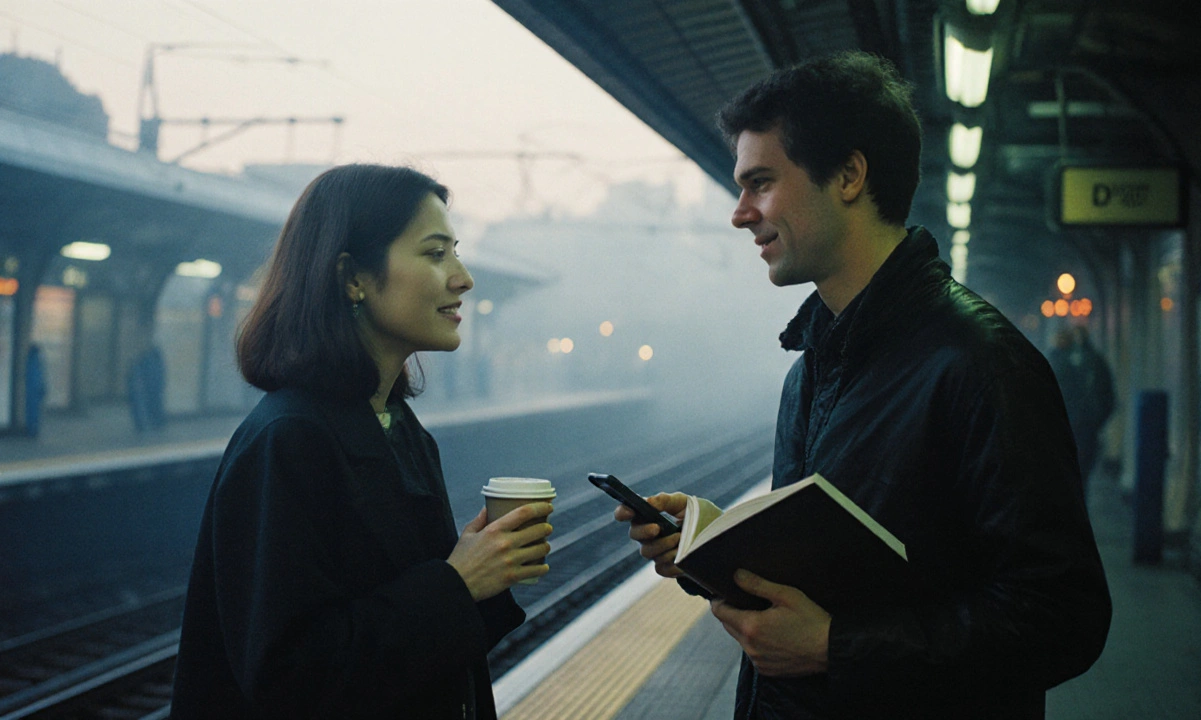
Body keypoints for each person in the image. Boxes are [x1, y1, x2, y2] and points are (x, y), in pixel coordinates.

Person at [615, 52, 1111, 719]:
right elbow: (828, 577)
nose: (739, 213)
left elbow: (1062, 618)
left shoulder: (981, 362)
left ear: (849, 176)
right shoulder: (812, 368)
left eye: (761, 182)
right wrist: (713, 553)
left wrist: (837, 646)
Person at [170, 164, 553, 719]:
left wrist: (483, 573)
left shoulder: (397, 425)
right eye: (435, 253)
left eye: (457, 251)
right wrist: (454, 582)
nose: (463, 277)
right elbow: (290, 676)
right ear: (352, 277)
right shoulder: (288, 439)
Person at [1049, 325, 1116, 496]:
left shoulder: (1058, 361)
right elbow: (1107, 398)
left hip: (1068, 426)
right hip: (1084, 426)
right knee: (1080, 477)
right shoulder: (1094, 360)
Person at [23, 344, 45, 437]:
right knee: (35, 412)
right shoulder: (38, 362)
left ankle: (31, 430)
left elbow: (27, 376)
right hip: (36, 390)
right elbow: (41, 377)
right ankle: (34, 430)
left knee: (30, 411)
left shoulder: (29, 361)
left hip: (30, 391)